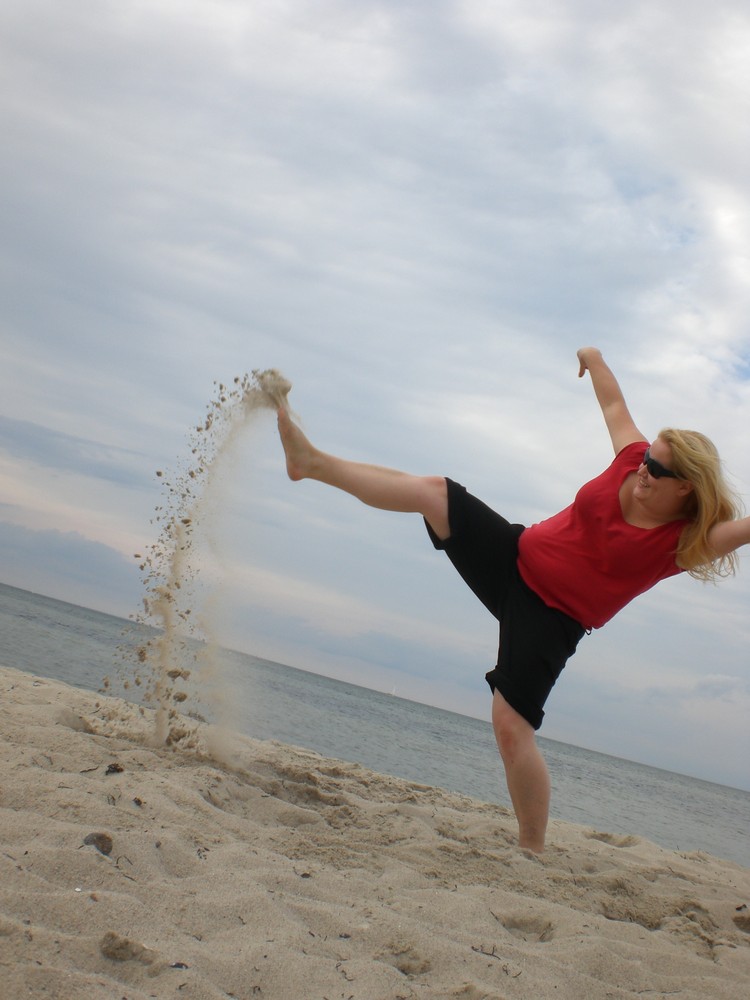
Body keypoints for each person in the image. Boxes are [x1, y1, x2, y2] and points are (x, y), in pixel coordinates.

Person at [276, 347, 749, 853]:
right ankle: (311, 463)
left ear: (685, 489)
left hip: (551, 620)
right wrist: (595, 358)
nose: (644, 469)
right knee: (435, 492)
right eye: (648, 458)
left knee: (510, 727)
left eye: (658, 468)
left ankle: (531, 849)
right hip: (513, 556)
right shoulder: (631, 460)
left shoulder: (683, 544)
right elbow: (614, 407)